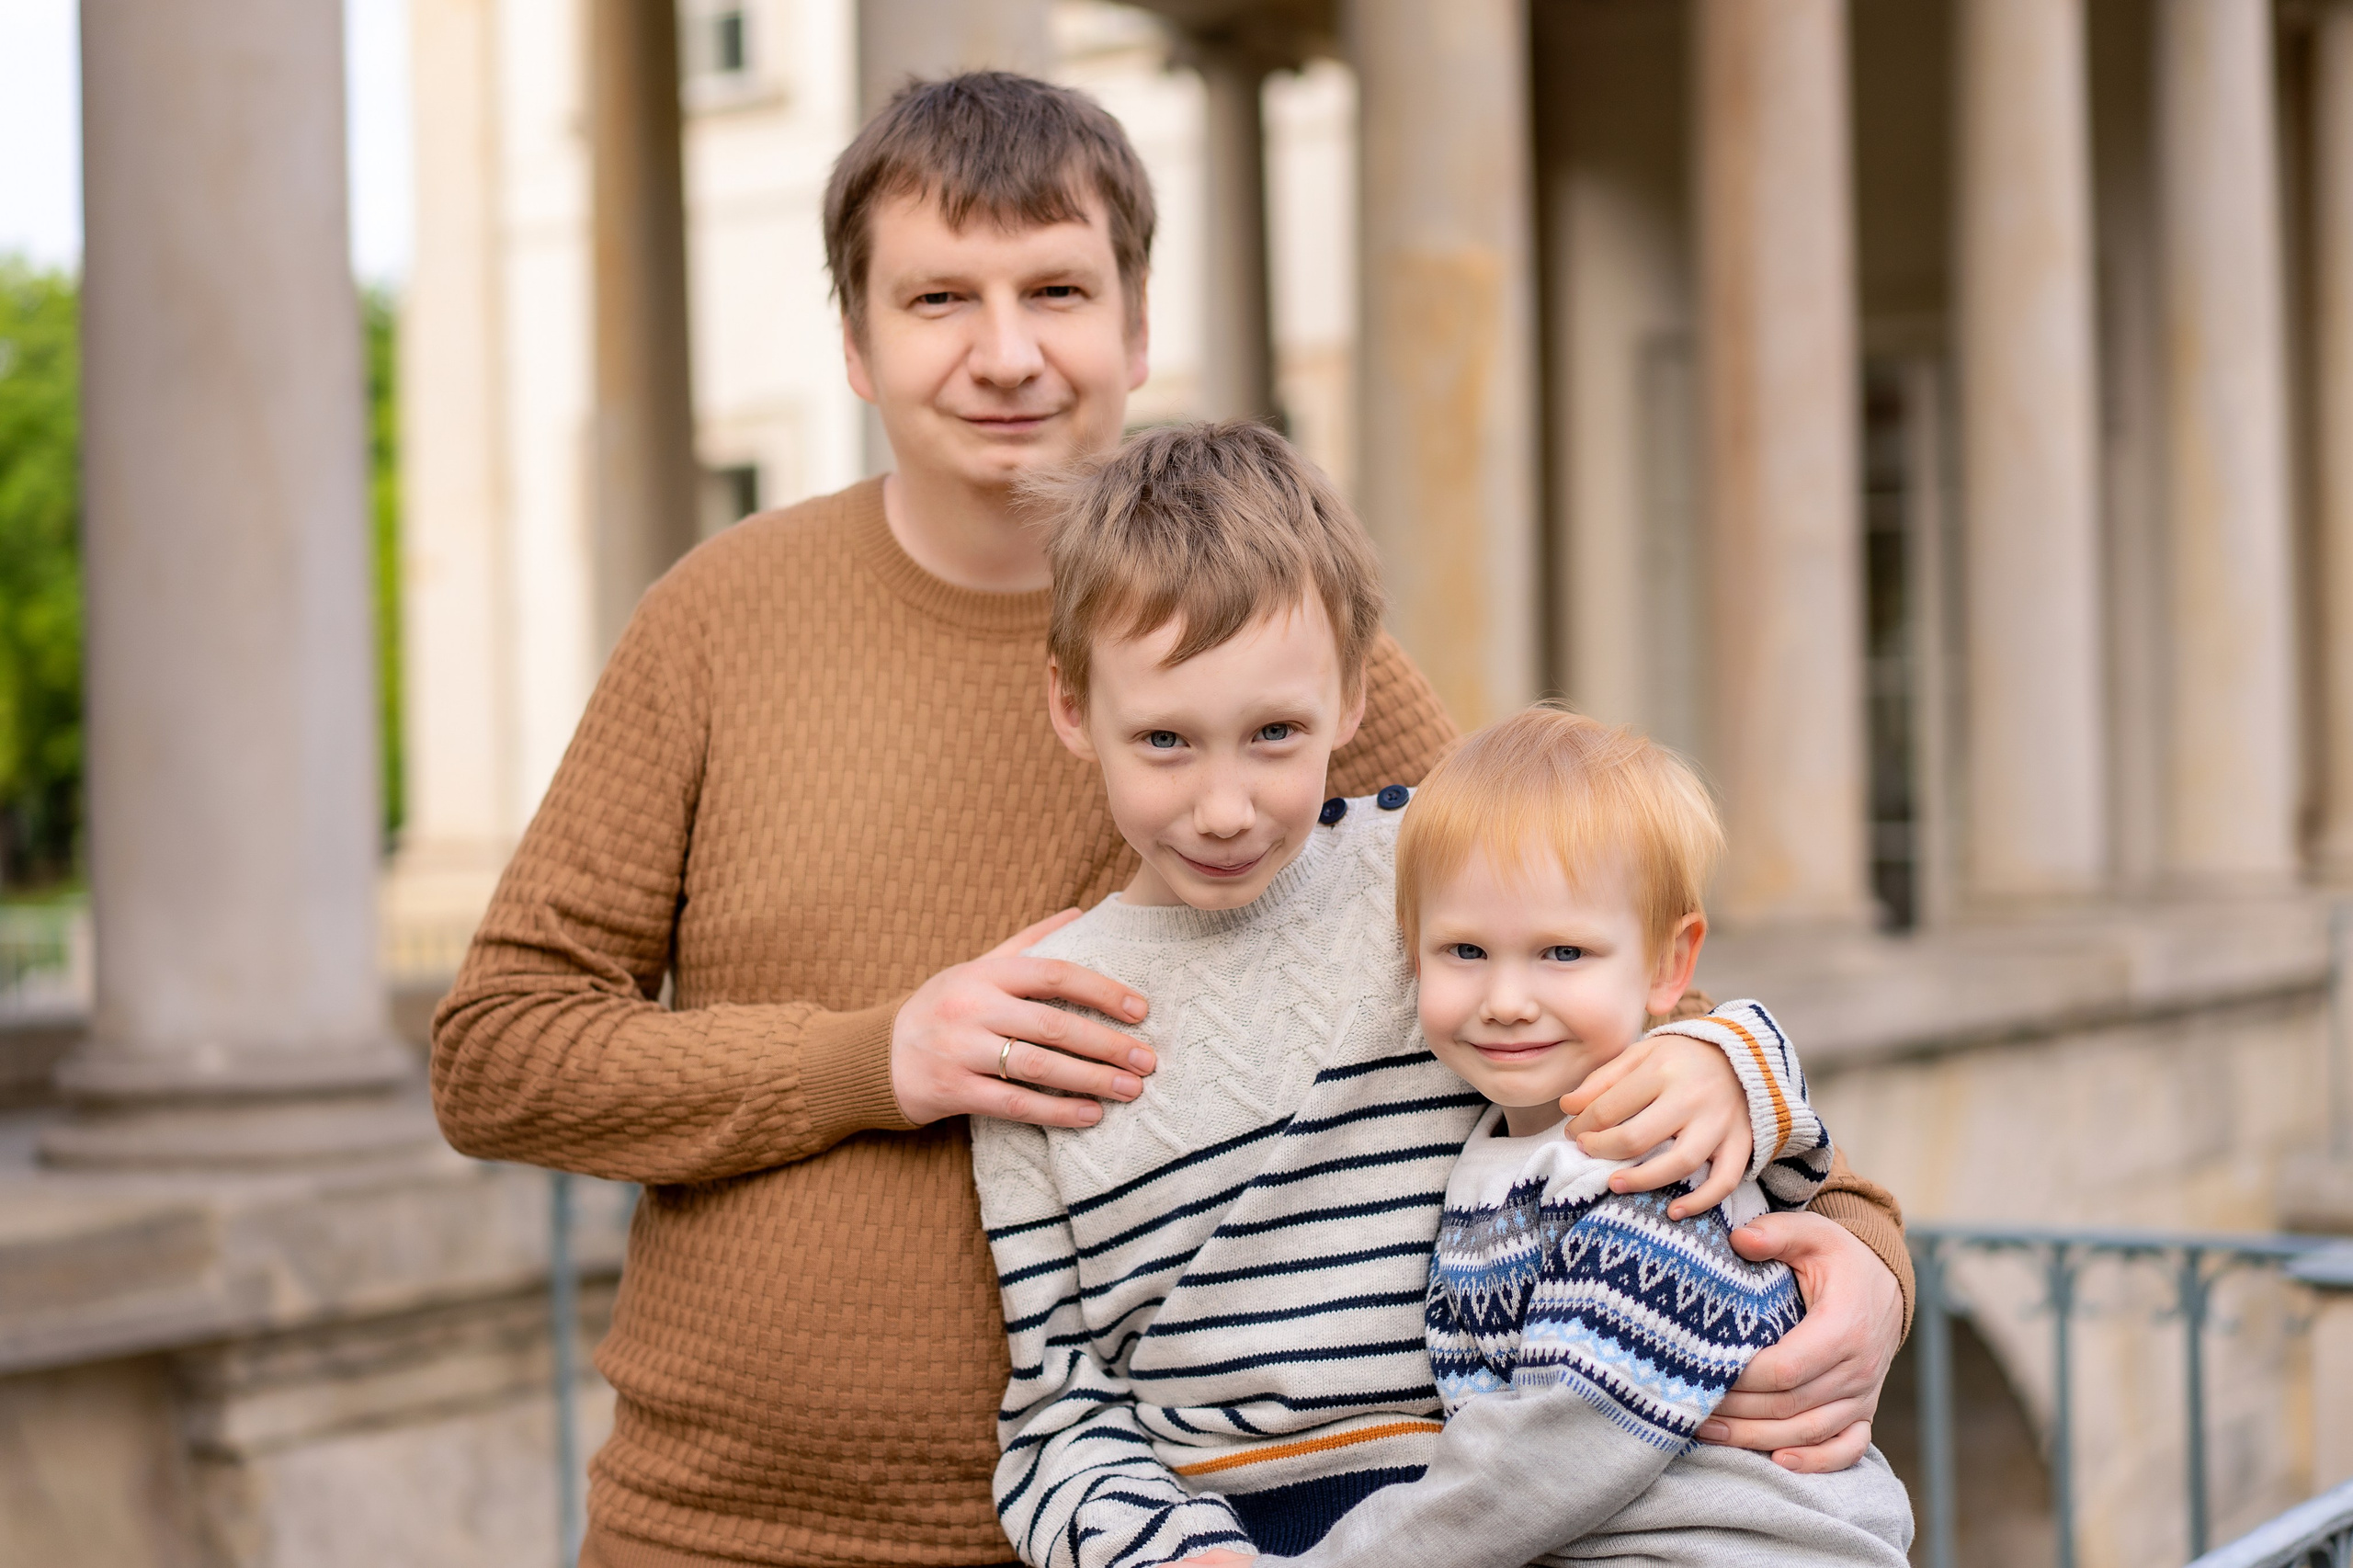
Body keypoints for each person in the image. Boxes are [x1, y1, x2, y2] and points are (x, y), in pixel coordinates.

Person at [429, 71, 1912, 1568]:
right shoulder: (716, 624)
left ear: (1138, 329)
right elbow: (495, 1054)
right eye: (939, 298)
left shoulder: (1295, 645)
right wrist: (873, 1057)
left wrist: (1860, 1245)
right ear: (859, 345)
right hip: (721, 1533)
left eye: (1057, 290)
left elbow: (1557, 974)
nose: (1005, 354)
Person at [973, 423, 1830, 1568]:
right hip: (1249, 1533)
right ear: (1073, 707)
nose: (1223, 806)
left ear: (1352, 694)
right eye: (1166, 739)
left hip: (1519, 1508)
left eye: (1274, 732)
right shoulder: (1034, 1028)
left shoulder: (1432, 875)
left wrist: (1728, 1059)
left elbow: (1646, 998)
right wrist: (1174, 1555)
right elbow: (1055, 1411)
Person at [1267, 707, 1912, 1567]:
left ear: (1667, 967)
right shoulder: (1510, 1144)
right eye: (1463, 950)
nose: (1506, 998)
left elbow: (1542, 1459)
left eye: (1562, 953)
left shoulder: (1644, 1170)